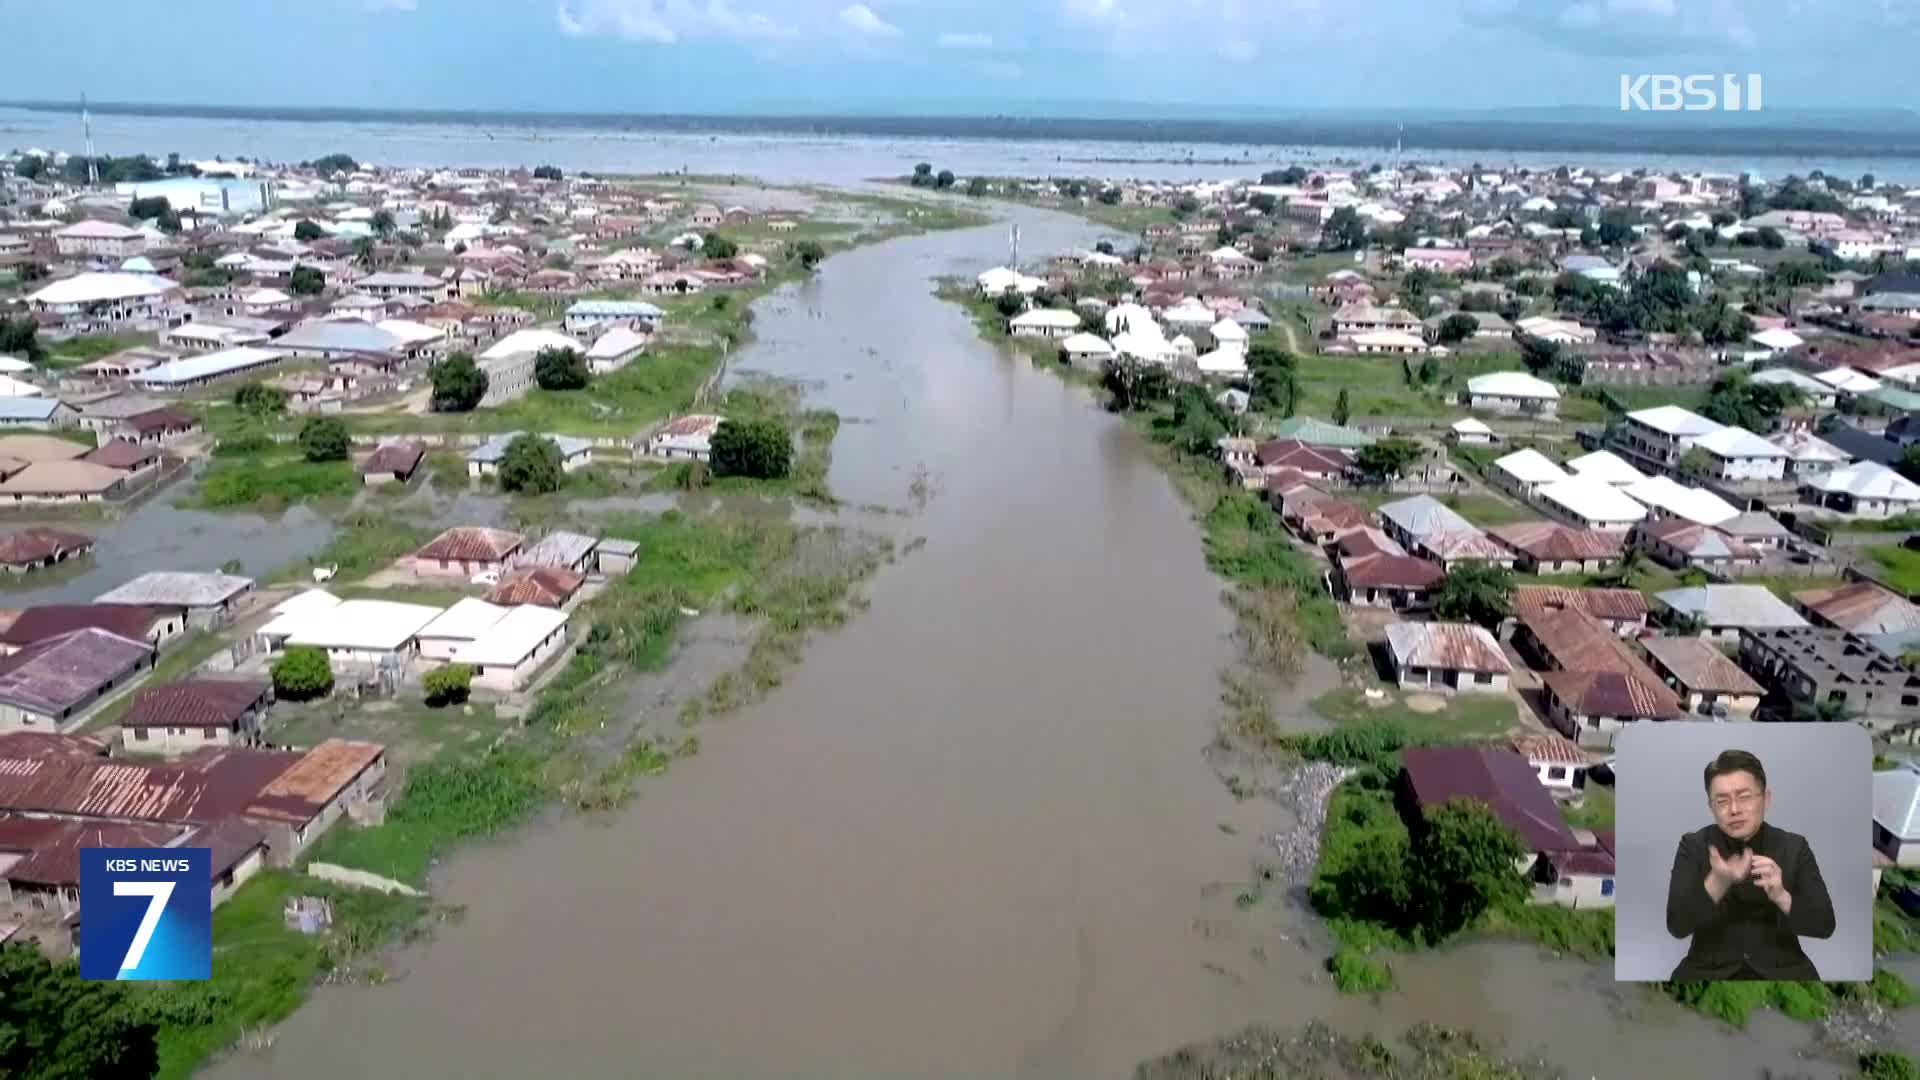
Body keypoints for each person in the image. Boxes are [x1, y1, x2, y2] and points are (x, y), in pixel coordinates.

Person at [1665, 749, 1836, 981]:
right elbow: (1677, 926)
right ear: (1711, 807)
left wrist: (1781, 895)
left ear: (1766, 799)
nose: (1734, 809)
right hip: (1708, 971)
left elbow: (1825, 925)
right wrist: (1717, 883)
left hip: (1783, 971)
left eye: (1744, 797)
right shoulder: (1694, 845)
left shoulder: (1794, 847)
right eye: (1722, 801)